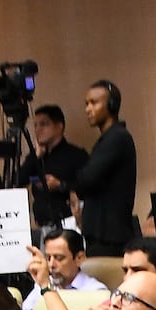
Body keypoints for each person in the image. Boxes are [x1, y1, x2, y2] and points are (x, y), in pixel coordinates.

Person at [64, 79, 137, 256]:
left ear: (112, 105)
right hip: (102, 233)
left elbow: (86, 180)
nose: (88, 109)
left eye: (94, 103)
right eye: (86, 104)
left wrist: (74, 185)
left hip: (109, 235)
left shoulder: (116, 138)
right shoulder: (110, 138)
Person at [16, 104, 89, 230]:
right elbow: (18, 181)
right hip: (41, 224)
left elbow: (88, 188)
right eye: (36, 125)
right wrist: (36, 156)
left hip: (69, 223)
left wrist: (60, 185)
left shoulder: (76, 155)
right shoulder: (38, 156)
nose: (38, 130)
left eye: (44, 124)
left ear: (59, 127)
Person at [19, 227, 108, 310]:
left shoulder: (95, 292)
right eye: (48, 258)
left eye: (59, 258)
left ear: (79, 258)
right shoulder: (45, 282)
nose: (51, 265)